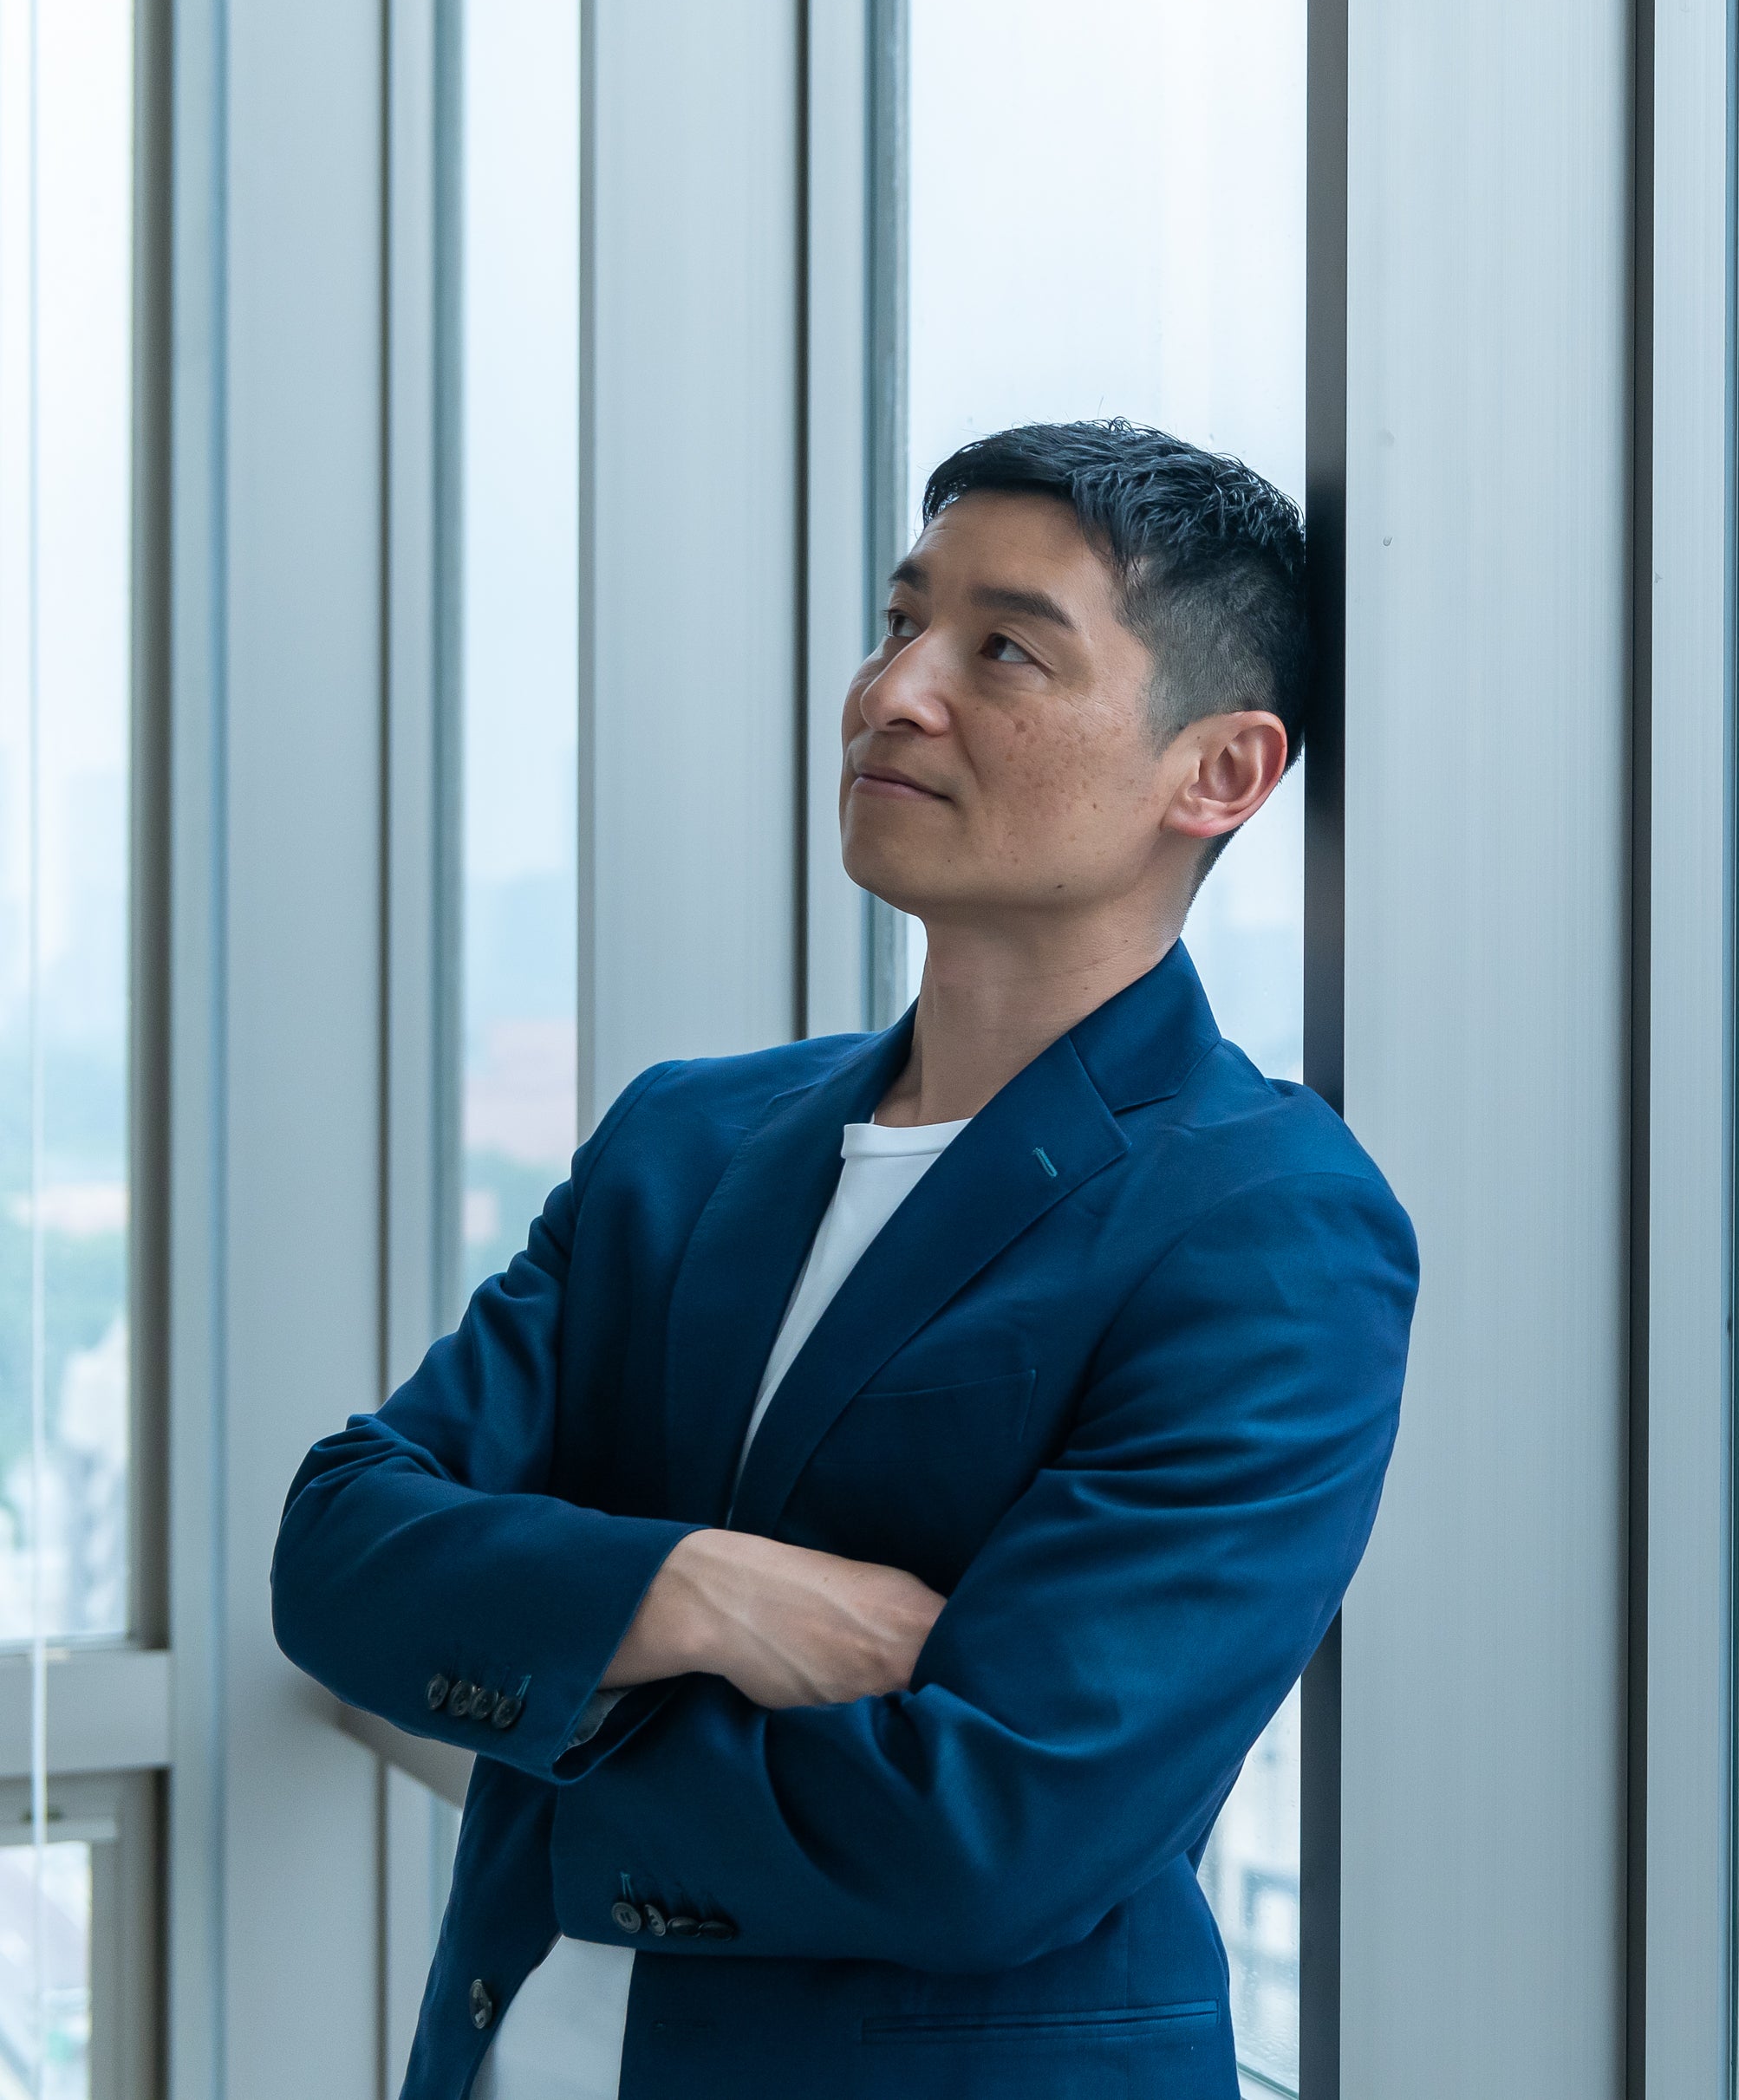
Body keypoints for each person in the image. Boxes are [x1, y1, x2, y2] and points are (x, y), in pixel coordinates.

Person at [271, 419, 1416, 2099]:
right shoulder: (684, 1138)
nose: (892, 692)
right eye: (898, 622)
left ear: (1220, 773)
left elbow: (992, 1829)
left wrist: (553, 1675)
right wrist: (698, 1589)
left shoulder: (1268, 1222)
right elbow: (339, 1545)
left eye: (1004, 649)